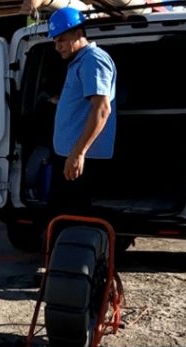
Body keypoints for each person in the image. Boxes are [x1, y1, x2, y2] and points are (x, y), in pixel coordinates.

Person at [46, 6, 117, 219]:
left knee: (74, 220)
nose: (57, 47)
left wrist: (78, 153)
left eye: (61, 40)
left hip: (81, 161)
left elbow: (102, 108)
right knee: (62, 218)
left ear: (78, 33)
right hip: (70, 157)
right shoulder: (78, 61)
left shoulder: (93, 59)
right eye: (55, 41)